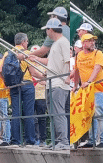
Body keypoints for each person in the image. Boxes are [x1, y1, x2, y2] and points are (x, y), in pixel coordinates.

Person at [29, 18, 71, 150]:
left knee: (58, 113)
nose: (46, 32)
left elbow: (68, 60)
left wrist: (68, 76)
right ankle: (55, 140)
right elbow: (51, 61)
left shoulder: (63, 42)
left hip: (59, 83)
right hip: (51, 82)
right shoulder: (55, 44)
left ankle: (63, 141)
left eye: (47, 30)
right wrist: (37, 59)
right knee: (53, 113)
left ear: (51, 30)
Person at [72, 33, 103, 148]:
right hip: (86, 89)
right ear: (83, 43)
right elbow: (77, 71)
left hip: (97, 87)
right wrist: (75, 85)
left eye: (93, 40)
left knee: (99, 112)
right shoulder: (79, 56)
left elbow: (97, 68)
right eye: (90, 41)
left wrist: (89, 82)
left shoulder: (98, 53)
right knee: (90, 114)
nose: (93, 42)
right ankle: (92, 140)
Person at [9, 33, 45, 147]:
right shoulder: (27, 53)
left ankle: (15, 140)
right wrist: (45, 77)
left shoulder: (8, 53)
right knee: (29, 113)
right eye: (27, 41)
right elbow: (33, 72)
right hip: (26, 84)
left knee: (16, 113)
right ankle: (29, 140)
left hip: (13, 85)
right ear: (23, 42)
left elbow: (1, 71)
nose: (27, 43)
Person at [31, 45, 47, 147]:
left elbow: (49, 79)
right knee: (33, 118)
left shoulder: (44, 66)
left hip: (41, 95)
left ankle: (43, 139)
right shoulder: (29, 65)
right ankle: (35, 138)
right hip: (31, 95)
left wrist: (44, 82)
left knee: (42, 118)